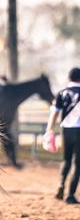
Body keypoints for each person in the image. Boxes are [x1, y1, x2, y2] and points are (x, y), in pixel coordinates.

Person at [45, 67, 80, 205]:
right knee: (78, 164)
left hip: (66, 131)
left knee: (66, 160)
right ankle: (70, 195)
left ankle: (61, 184)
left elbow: (54, 113)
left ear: (69, 78)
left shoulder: (62, 93)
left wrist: (49, 129)